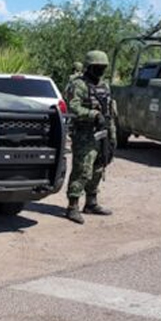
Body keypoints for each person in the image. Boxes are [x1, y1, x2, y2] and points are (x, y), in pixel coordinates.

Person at [64, 50, 116, 223]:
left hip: (103, 133)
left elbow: (110, 109)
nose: (101, 70)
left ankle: (91, 203)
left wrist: (112, 134)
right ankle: (72, 206)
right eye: (97, 67)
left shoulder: (105, 85)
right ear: (89, 67)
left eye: (103, 67)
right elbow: (73, 108)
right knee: (82, 170)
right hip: (85, 134)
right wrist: (92, 114)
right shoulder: (78, 85)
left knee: (99, 167)